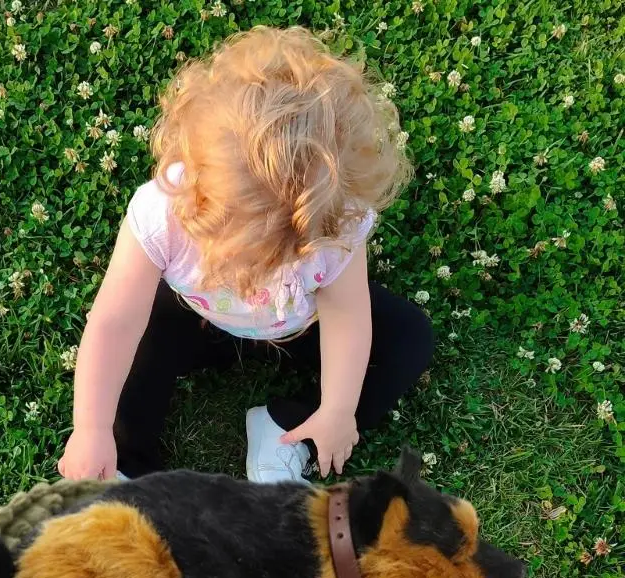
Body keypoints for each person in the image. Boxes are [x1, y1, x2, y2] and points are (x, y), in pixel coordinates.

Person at [58, 26, 433, 484]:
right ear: (200, 197)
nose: (260, 271)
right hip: (194, 317)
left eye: (287, 251)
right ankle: (125, 466)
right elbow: (114, 321)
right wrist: (90, 428)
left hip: (300, 323)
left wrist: (338, 409)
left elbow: (347, 315)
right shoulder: (162, 212)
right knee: (138, 350)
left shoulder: (338, 217)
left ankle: (288, 428)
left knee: (408, 340)